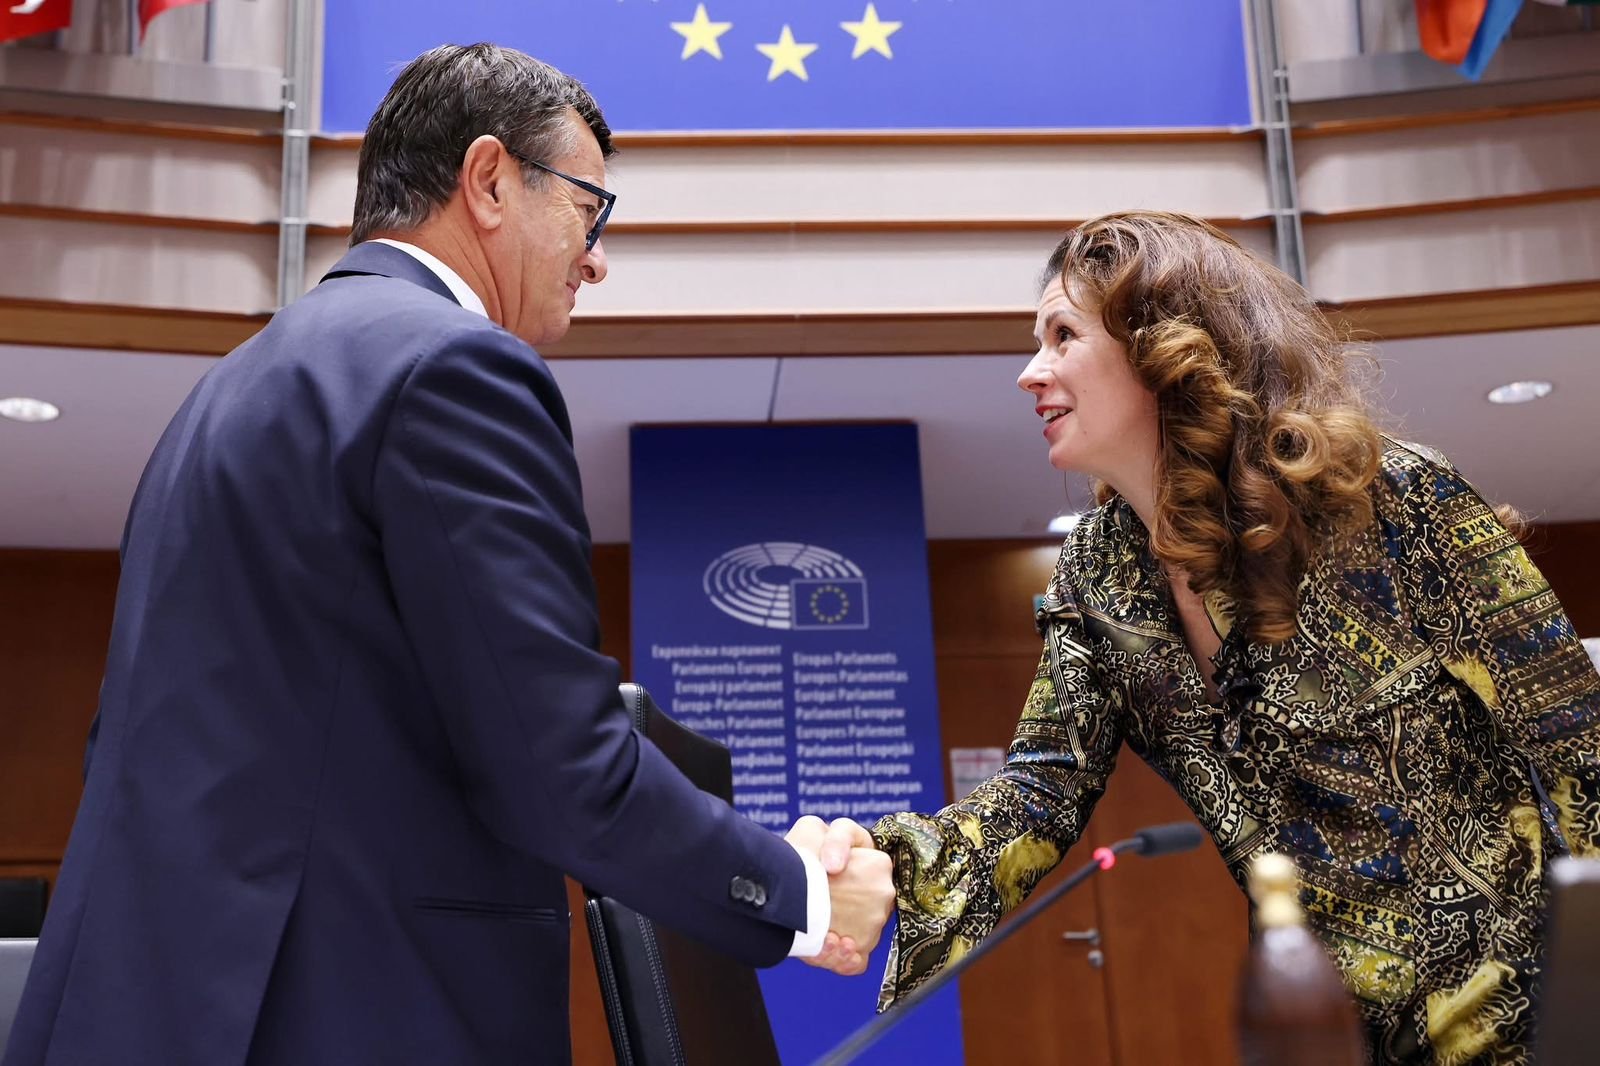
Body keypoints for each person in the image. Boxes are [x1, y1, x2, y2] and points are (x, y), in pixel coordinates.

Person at [3, 44, 891, 1066]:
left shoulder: (226, 390)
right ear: (489, 180)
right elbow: (558, 765)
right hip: (343, 1015)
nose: (596, 258)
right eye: (589, 210)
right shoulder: (454, 369)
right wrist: (802, 892)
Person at [839, 211, 1600, 1063]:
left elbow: (1584, 751)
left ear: (1163, 346)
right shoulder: (1099, 573)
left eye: (1062, 336)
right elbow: (1039, 792)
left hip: (1533, 1021)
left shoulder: (1391, 499)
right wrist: (879, 868)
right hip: (1323, 1032)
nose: (1029, 372)